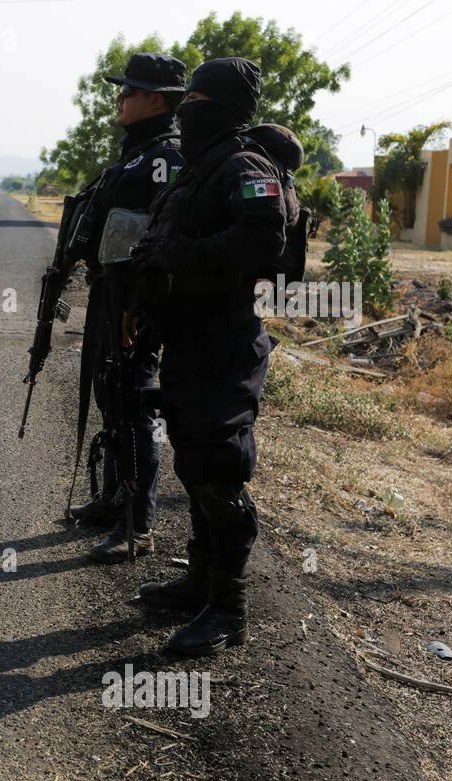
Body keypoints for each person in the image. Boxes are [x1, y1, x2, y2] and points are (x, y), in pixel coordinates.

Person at [128, 56, 291, 656]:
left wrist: (180, 260)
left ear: (219, 110)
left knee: (219, 473)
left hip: (226, 344)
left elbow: (262, 237)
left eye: (195, 103)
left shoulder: (244, 165)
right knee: (195, 467)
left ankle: (229, 609)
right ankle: (200, 581)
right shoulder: (197, 170)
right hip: (189, 340)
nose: (185, 112)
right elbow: (162, 243)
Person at [63, 52, 186, 564]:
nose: (119, 100)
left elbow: (162, 232)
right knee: (109, 390)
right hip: (110, 294)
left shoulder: (169, 156)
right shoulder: (137, 150)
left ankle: (139, 521)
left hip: (140, 301)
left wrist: (138, 299)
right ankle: (115, 498)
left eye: (128, 92)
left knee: (133, 399)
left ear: (154, 99)